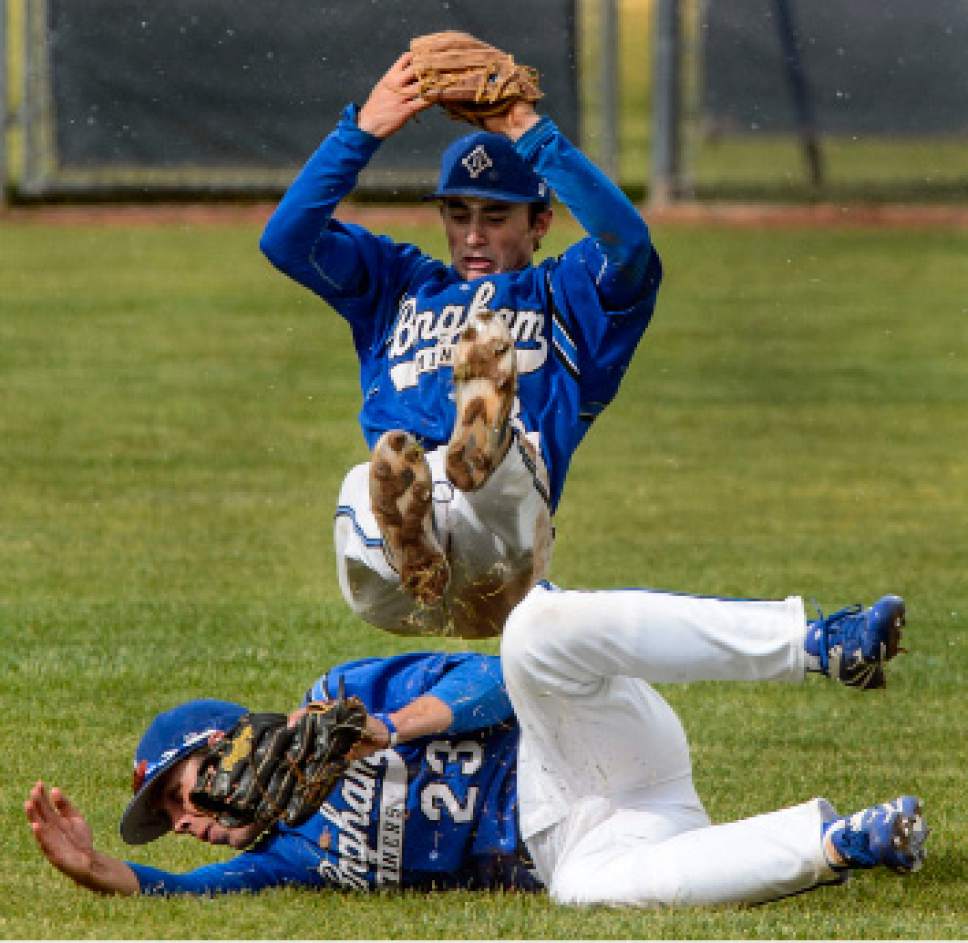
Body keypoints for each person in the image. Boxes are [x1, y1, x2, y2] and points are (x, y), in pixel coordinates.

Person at [26, 584, 927, 903]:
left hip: (574, 746)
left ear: (231, 742)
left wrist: (383, 728)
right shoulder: (289, 855)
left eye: (183, 790)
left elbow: (495, 682)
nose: (182, 819)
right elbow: (192, 891)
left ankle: (816, 645)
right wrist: (114, 875)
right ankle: (843, 840)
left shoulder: (344, 696)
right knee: (580, 897)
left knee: (535, 630)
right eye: (168, 816)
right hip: (574, 843)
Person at [259, 48, 662, 638]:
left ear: (540, 222)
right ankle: (412, 532)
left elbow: (628, 245)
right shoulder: (398, 284)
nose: (473, 234)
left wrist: (530, 132)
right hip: (393, 585)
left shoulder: (568, 296)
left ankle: (477, 447)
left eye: (496, 216)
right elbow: (286, 241)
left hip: (502, 563)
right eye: (458, 213)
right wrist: (362, 131)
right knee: (366, 477)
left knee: (492, 429)